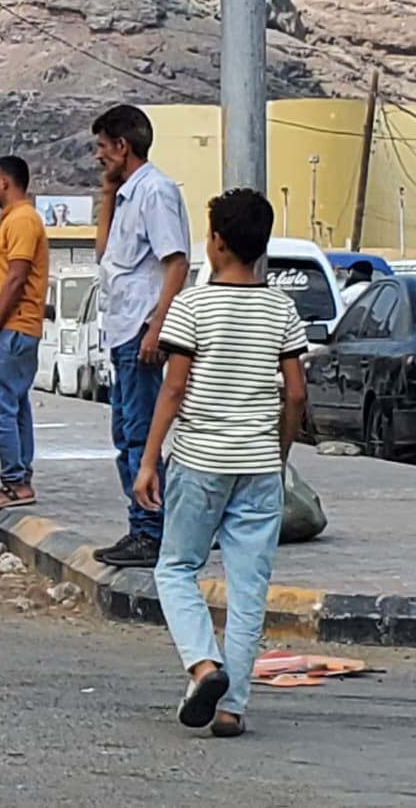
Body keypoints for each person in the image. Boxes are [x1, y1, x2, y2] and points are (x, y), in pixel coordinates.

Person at [133, 188, 307, 740]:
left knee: (175, 568)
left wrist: (148, 461)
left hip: (200, 460)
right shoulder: (281, 308)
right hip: (259, 466)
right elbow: (295, 393)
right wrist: (279, 453)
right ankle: (231, 709)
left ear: (217, 243)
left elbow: (174, 388)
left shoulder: (192, 306)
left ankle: (204, 666)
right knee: (248, 587)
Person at [91, 104, 192, 569]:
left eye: (102, 147)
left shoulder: (155, 192)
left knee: (139, 436)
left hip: (140, 330)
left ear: (122, 145)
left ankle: (152, 531)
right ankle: (143, 527)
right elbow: (105, 253)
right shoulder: (129, 194)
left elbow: (177, 262)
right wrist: (107, 193)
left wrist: (157, 328)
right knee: (125, 433)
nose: (99, 157)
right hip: (122, 329)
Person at [0, 156, 48, 516]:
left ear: (6, 182)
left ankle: (15, 483)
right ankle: (19, 480)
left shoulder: (22, 220)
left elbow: (17, 277)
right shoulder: (15, 220)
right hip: (16, 327)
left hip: (13, 328)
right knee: (15, 408)